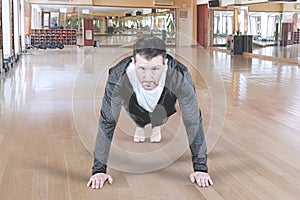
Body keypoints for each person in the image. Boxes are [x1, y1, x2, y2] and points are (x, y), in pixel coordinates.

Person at [87, 36, 213, 189]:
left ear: (165, 64)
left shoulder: (180, 75)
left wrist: (200, 168)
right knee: (132, 110)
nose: (148, 78)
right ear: (134, 62)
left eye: (155, 69)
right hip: (134, 102)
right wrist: (98, 170)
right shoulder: (118, 75)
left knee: (161, 114)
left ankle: (156, 122)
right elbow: (107, 121)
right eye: (142, 69)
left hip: (163, 103)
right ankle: (141, 123)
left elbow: (193, 121)